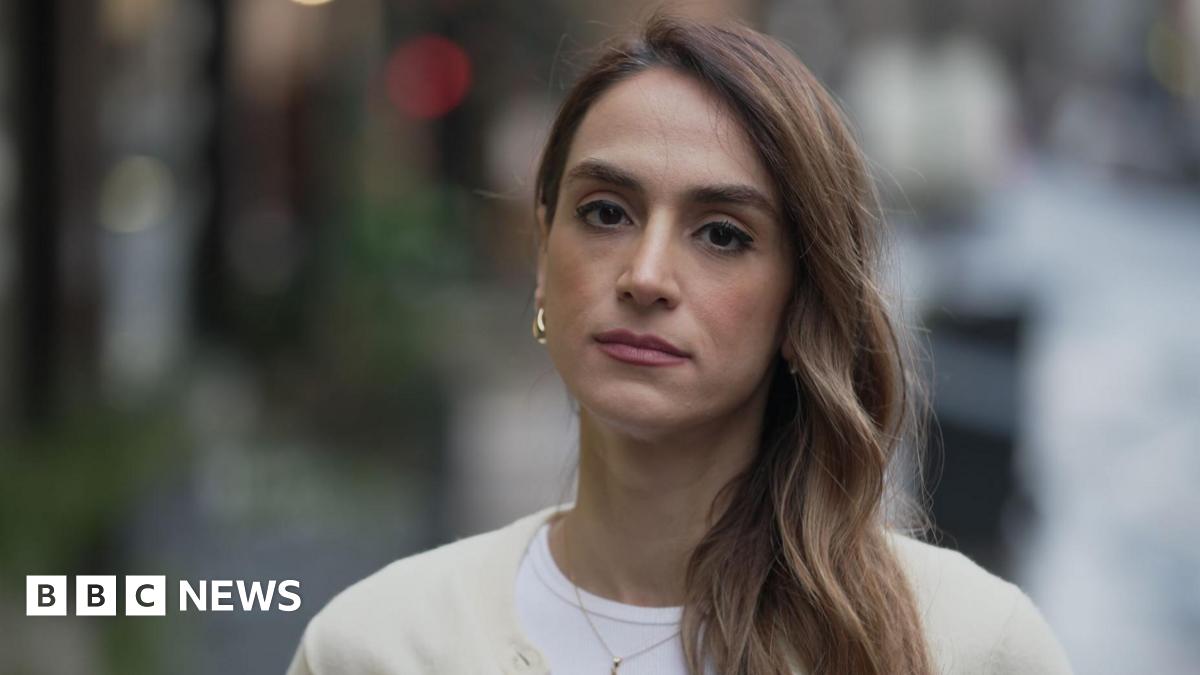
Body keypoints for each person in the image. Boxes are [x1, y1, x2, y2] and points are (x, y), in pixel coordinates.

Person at [285, 10, 1073, 675]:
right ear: (540, 251)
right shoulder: (376, 645)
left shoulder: (964, 644)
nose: (646, 274)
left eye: (722, 234)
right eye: (605, 212)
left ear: (801, 300)